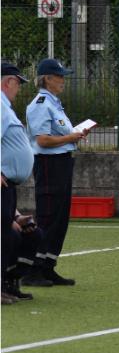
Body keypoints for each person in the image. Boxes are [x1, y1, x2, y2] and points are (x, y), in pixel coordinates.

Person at [24, 58, 89, 287]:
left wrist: (74, 135)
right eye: (59, 76)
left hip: (61, 162)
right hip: (49, 164)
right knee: (48, 216)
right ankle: (33, 270)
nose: (63, 80)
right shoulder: (41, 104)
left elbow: (57, 133)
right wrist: (71, 137)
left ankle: (48, 266)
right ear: (47, 79)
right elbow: (42, 140)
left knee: (60, 218)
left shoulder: (54, 103)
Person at [2, 62, 35, 303]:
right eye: (18, 83)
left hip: (9, 186)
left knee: (10, 233)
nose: (19, 88)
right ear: (8, 82)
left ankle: (6, 284)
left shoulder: (5, 107)